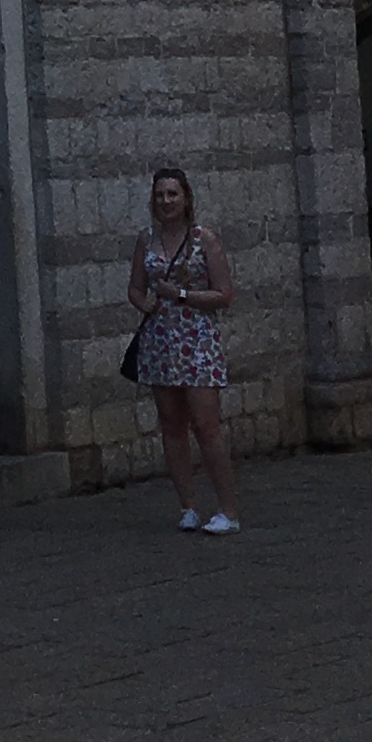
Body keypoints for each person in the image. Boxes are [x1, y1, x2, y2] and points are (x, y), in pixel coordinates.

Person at [129, 163, 238, 532]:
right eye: (160, 195)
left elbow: (224, 294)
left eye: (173, 194)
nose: (166, 201)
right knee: (171, 425)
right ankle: (187, 506)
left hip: (197, 339)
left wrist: (181, 294)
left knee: (206, 426)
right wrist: (142, 302)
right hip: (160, 339)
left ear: (186, 198)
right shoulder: (146, 239)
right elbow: (135, 287)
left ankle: (228, 510)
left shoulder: (204, 240)